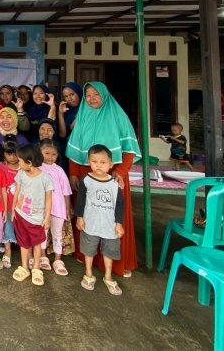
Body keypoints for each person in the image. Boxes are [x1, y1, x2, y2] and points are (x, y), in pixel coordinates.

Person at [66, 81, 140, 277]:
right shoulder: (82, 115)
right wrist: (73, 172)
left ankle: (115, 263)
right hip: (86, 171)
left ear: (105, 95)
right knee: (87, 214)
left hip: (113, 173)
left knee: (113, 217)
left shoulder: (117, 114)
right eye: (88, 94)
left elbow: (129, 148)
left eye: (96, 94)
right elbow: (75, 149)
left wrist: (122, 171)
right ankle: (88, 257)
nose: (91, 98)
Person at [75, 144, 125, 296]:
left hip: (109, 226)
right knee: (89, 250)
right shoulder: (86, 180)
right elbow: (80, 201)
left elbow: (119, 205)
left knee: (109, 251)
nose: (98, 165)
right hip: (90, 224)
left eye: (103, 162)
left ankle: (108, 276)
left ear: (110, 164)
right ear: (89, 162)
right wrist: (79, 217)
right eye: (94, 162)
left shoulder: (114, 183)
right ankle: (89, 273)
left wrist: (119, 224)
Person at [11, 144, 53, 287]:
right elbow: (17, 192)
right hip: (20, 215)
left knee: (36, 243)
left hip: (36, 219)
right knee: (23, 243)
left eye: (20, 161)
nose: (18, 163)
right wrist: (13, 210)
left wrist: (47, 217)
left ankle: (36, 268)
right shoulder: (21, 174)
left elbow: (48, 199)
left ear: (29, 162)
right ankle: (25, 267)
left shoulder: (45, 178)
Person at [38, 139, 73, 276]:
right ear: (39, 152)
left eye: (53, 154)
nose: (50, 157)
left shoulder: (59, 170)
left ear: (57, 155)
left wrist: (67, 208)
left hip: (58, 207)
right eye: (46, 153)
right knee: (42, 233)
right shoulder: (37, 168)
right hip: (42, 208)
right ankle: (43, 256)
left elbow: (66, 191)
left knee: (57, 233)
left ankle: (58, 260)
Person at [0, 141, 21, 269]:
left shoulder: (23, 167)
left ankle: (28, 253)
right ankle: (8, 251)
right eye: (9, 154)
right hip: (5, 205)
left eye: (15, 154)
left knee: (23, 228)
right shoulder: (0, 166)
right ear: (4, 154)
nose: (12, 157)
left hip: (21, 206)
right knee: (7, 226)